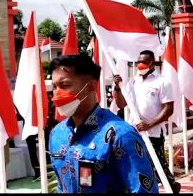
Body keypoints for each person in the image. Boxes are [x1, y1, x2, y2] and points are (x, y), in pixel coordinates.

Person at [48, 54, 158, 193]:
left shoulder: (120, 135)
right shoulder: (57, 133)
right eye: (54, 87)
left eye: (64, 85)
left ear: (90, 87)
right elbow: (61, 186)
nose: (57, 94)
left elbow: (143, 190)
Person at [112, 50, 181, 193]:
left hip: (153, 133)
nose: (140, 65)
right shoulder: (132, 82)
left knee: (158, 165)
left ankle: (172, 186)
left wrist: (149, 124)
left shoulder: (162, 82)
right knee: (133, 163)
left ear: (152, 63)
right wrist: (118, 88)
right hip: (134, 132)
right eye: (138, 62)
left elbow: (168, 109)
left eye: (144, 62)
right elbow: (121, 104)